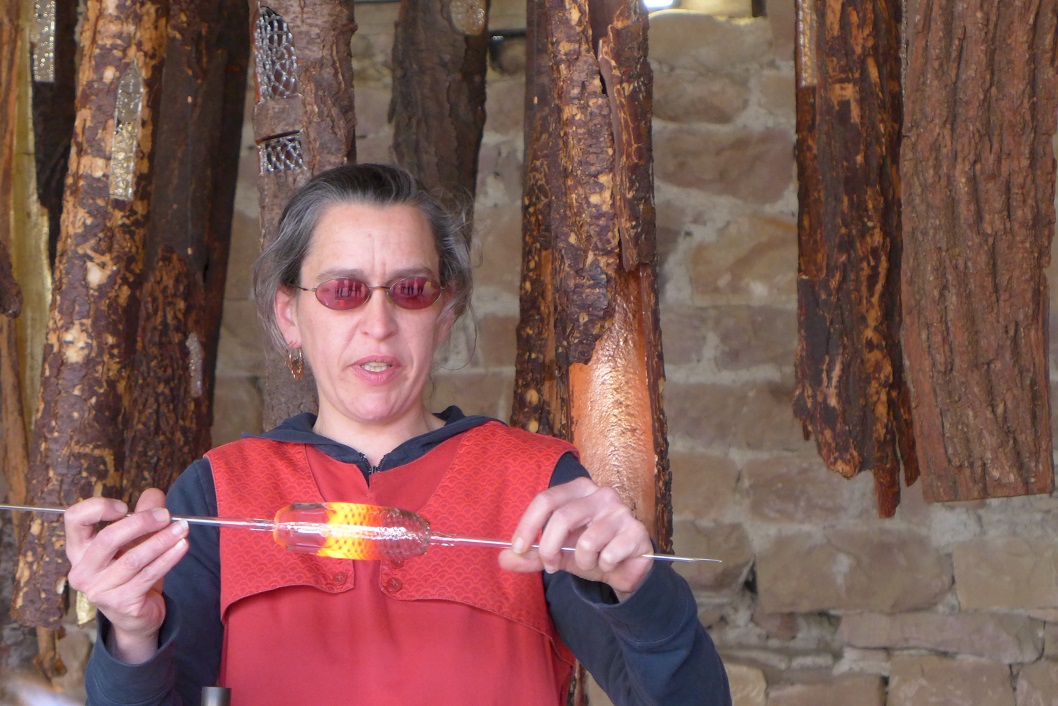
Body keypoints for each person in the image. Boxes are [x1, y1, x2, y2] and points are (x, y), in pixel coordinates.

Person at [64, 163, 731, 705]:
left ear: (445, 311)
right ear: (290, 315)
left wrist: (640, 590)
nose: (379, 324)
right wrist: (132, 634)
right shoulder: (220, 490)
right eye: (343, 291)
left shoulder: (537, 485)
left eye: (410, 290)